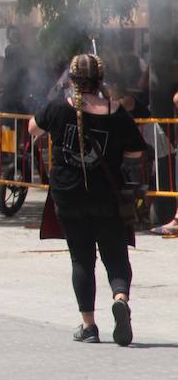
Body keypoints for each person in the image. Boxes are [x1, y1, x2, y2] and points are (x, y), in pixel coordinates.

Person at [29, 54, 145, 346]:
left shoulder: (58, 108)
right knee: (115, 254)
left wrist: (59, 95)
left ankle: (89, 325)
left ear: (71, 80)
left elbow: (33, 128)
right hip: (107, 195)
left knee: (82, 259)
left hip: (69, 196)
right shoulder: (116, 111)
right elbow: (135, 152)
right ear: (100, 80)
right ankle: (120, 298)